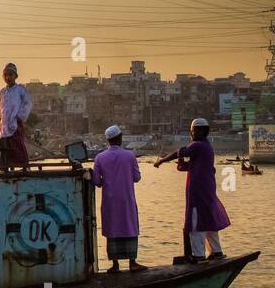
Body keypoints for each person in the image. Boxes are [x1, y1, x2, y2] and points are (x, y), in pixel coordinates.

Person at [154, 117, 230, 262]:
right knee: (208, 220)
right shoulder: (206, 147)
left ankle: (198, 255)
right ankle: (216, 251)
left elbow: (180, 152)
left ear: (201, 131)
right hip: (207, 189)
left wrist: (162, 160)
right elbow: (188, 166)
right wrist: (181, 160)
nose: (192, 134)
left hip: (198, 191)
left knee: (196, 223)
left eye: (194, 131)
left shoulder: (198, 146)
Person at [93, 124, 145, 273]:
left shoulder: (99, 158)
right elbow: (136, 177)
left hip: (110, 201)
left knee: (112, 228)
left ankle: (115, 265)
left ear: (108, 140)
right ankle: (132, 262)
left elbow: (96, 182)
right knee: (129, 226)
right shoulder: (130, 156)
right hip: (126, 199)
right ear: (120, 138)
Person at [0, 62, 32, 170]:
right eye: (6, 75)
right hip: (4, 125)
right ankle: (8, 168)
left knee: (18, 146)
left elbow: (27, 104)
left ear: (15, 76)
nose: (8, 77)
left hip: (15, 123)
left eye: (10, 75)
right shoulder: (2, 92)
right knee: (6, 148)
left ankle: (25, 167)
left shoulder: (20, 90)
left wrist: (20, 117)